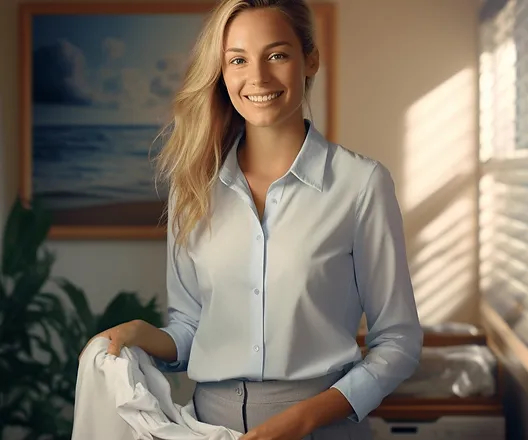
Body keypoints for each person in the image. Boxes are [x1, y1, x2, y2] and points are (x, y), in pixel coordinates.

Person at [80, 0, 423, 438]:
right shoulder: (193, 190)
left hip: (322, 429)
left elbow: (398, 342)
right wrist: (140, 333)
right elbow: (190, 330)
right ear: (221, 73)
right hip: (207, 428)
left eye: (276, 55)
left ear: (310, 59)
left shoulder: (361, 185)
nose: (257, 77)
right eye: (238, 60)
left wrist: (302, 419)